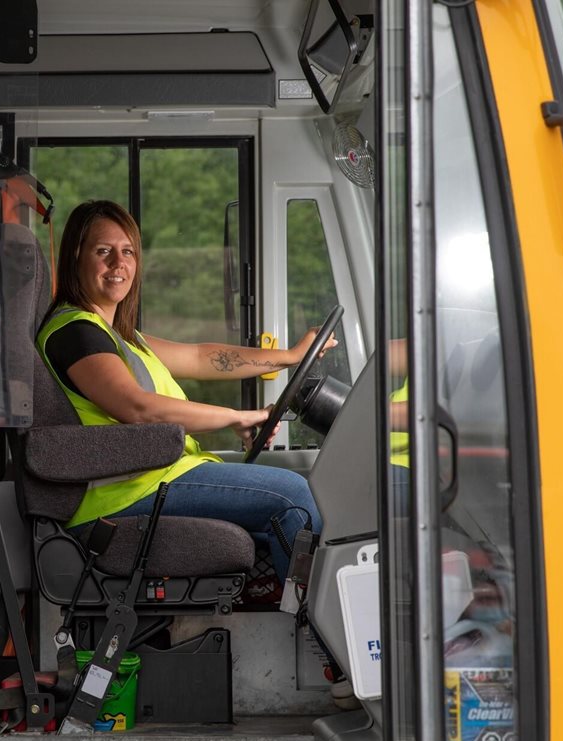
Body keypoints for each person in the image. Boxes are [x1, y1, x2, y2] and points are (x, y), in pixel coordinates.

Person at [36, 199, 337, 581]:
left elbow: (200, 357)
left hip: (158, 477)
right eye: (103, 251)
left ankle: (297, 607)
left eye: (128, 252)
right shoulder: (76, 333)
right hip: (126, 493)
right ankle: (316, 615)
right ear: (76, 257)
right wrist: (236, 417)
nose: (118, 263)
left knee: (281, 520)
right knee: (292, 496)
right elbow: (138, 408)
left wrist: (291, 356)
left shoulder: (121, 338)